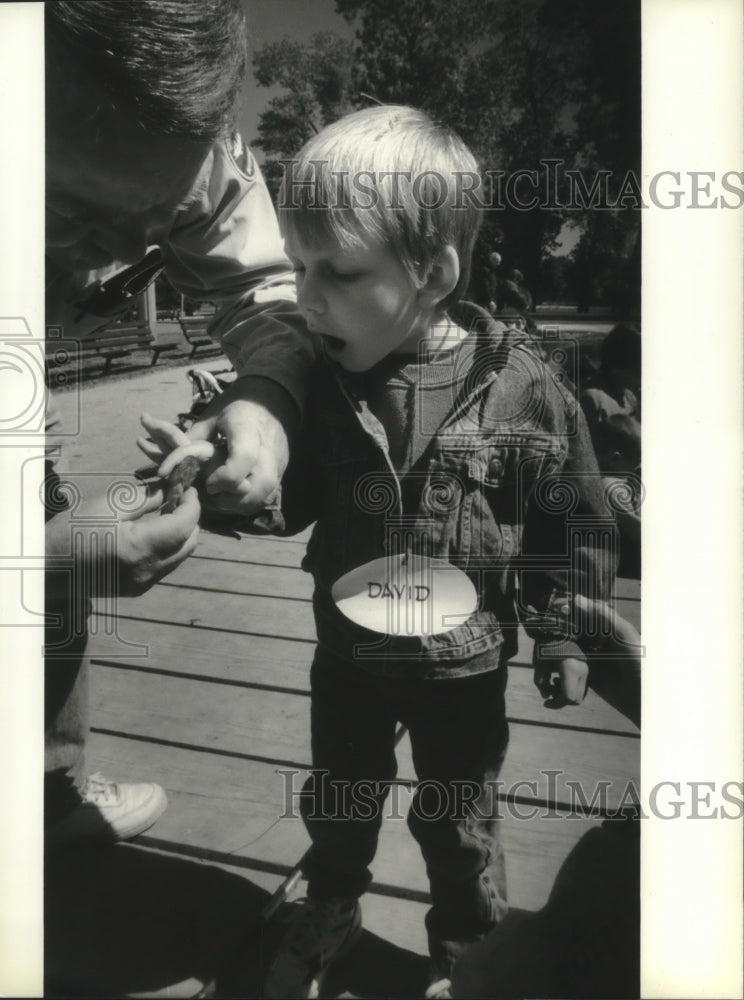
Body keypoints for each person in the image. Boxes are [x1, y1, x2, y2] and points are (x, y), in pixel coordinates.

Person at [145, 105, 615, 998]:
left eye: (338, 269)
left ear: (432, 272)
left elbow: (572, 519)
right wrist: (235, 483)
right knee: (340, 798)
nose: (305, 296)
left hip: (462, 672)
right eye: (297, 266)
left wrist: (563, 632)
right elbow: (298, 496)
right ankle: (332, 902)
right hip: (348, 657)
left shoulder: (525, 392)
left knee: (459, 820)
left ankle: (470, 947)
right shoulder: (322, 386)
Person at [44, 0, 315, 847]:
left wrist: (267, 401)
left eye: (156, 219)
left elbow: (263, 291)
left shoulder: (200, 152)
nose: (122, 253)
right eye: (69, 211)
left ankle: (46, 795)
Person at [580, 324, 642, 579]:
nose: (640, 378)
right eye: (635, 371)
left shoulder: (628, 398)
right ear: (618, 367)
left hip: (628, 485)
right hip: (603, 501)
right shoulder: (592, 398)